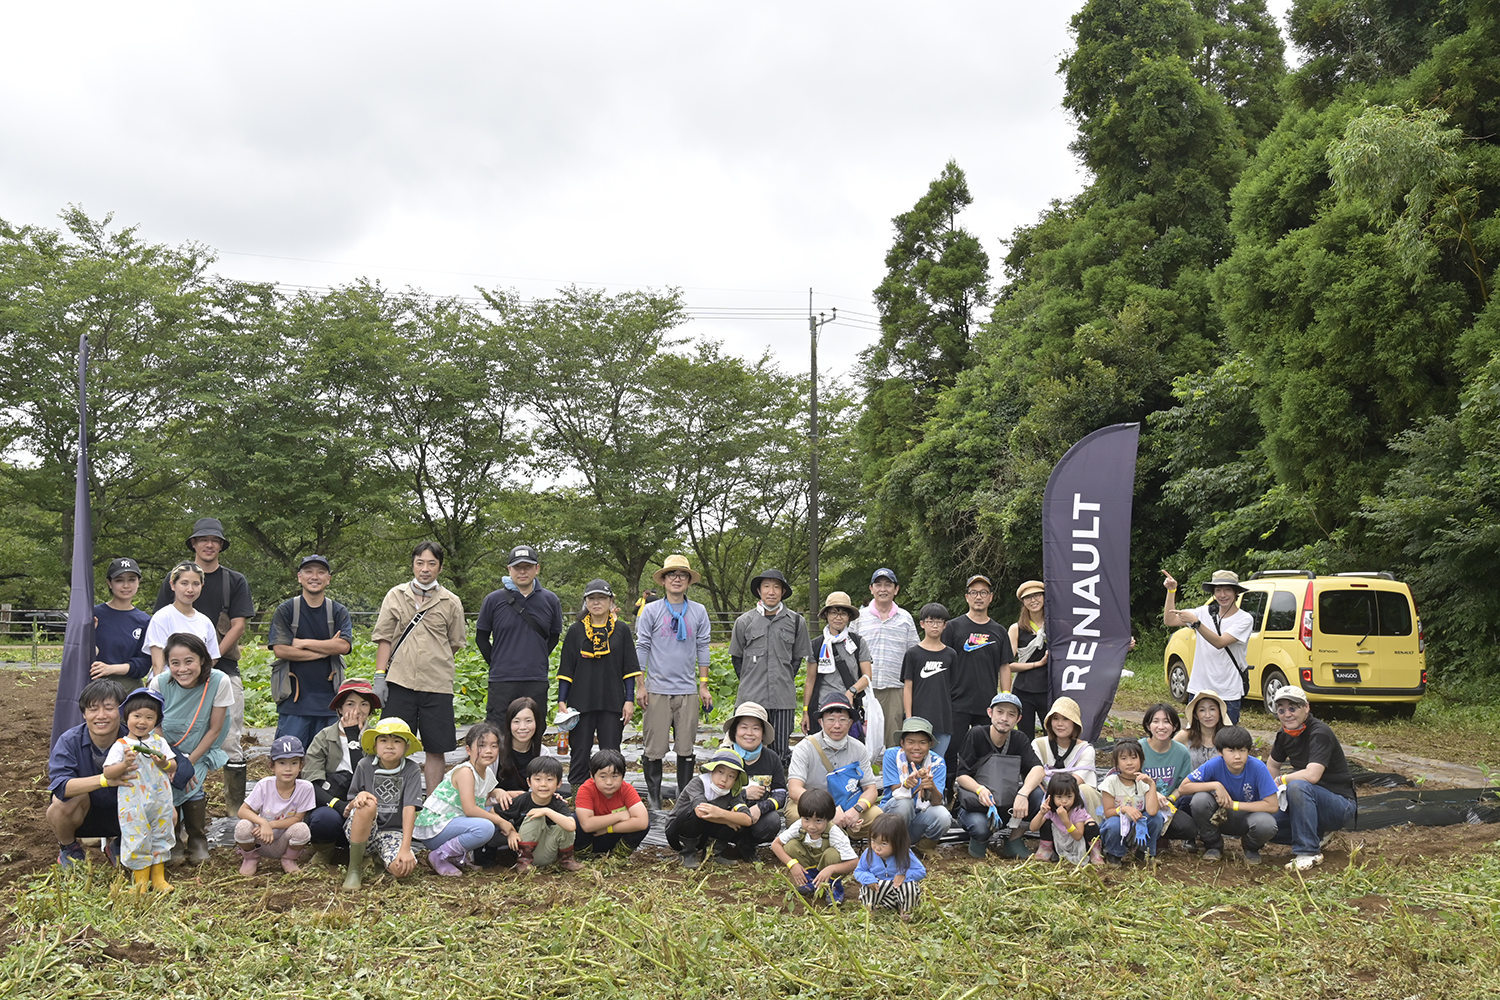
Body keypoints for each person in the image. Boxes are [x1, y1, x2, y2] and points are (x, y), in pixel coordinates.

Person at [153, 518, 253, 810]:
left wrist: (206, 663)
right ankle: (176, 800)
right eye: (203, 539)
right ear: (194, 544)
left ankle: (235, 806)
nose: (209, 545)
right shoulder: (175, 577)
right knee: (167, 733)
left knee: (229, 735)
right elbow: (159, 631)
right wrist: (172, 672)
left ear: (221, 546)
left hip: (220, 670)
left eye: (215, 540)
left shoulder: (233, 581)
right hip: (176, 674)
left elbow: (237, 625)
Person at [371, 541, 468, 796]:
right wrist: (380, 678)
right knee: (392, 743)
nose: (425, 569)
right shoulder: (395, 595)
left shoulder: (451, 602)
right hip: (399, 682)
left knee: (436, 748)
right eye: (420, 563)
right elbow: (384, 638)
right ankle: (392, 801)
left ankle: (433, 804)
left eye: (431, 563)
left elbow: (455, 643)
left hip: (437, 685)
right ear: (413, 564)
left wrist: (433, 660)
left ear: (440, 567)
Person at [636, 555, 713, 811]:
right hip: (657, 689)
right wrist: (640, 684)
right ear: (664, 580)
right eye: (672, 574)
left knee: (686, 747)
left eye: (682, 574)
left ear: (689, 580)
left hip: (687, 690)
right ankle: (654, 797)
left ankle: (682, 796)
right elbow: (642, 646)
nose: (677, 578)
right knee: (654, 749)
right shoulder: (651, 610)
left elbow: (703, 646)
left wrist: (703, 684)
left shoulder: (698, 611)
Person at [151, 632, 231, 865]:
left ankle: (197, 839)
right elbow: (155, 727)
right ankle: (173, 839)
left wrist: (188, 762)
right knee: (166, 786)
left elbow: (215, 729)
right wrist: (170, 761)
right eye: (175, 663)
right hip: (166, 749)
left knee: (191, 781)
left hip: (200, 747)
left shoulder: (219, 681)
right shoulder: (159, 683)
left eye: (189, 661)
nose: (182, 669)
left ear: (202, 660)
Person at [556, 579, 640, 790]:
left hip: (612, 702)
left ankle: (610, 796)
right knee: (580, 750)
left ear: (611, 601)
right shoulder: (576, 631)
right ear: (585, 602)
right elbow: (567, 669)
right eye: (591, 598)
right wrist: (561, 701)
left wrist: (629, 699)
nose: (596, 603)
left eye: (601, 598)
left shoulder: (621, 630)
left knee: (611, 752)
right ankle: (578, 796)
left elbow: (629, 669)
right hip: (580, 703)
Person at [267, 555, 354, 747]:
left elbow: (343, 646)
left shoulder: (338, 611)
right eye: (309, 572)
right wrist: (325, 650)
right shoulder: (286, 610)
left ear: (328, 579)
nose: (315, 576)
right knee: (289, 760)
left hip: (330, 704)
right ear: (299, 577)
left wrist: (301, 642)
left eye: (321, 572)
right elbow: (281, 650)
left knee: (328, 765)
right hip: (293, 703)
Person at [1267, 685, 1357, 871]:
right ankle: (1316, 835)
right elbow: (1273, 765)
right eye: (1281, 709)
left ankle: (1309, 851)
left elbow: (1312, 775)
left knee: (1298, 785)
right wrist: (1268, 795)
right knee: (1265, 825)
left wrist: (1281, 780)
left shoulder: (1320, 733)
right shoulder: (1284, 734)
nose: (1287, 714)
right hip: (1308, 803)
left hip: (1339, 804)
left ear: (1306, 708)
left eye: (1293, 708)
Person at [942, 574, 1014, 796]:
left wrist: (1006, 700)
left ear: (991, 597)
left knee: (987, 751)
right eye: (974, 592)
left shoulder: (999, 631)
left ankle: (983, 795)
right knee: (952, 750)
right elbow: (943, 661)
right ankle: (947, 793)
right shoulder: (953, 628)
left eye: (983, 592)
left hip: (987, 704)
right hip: (957, 702)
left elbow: (1004, 667)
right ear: (967, 597)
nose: (979, 597)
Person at [47, 678, 131, 867]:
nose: (101, 715)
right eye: (93, 708)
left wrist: (181, 768)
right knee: (61, 804)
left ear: (121, 711)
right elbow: (61, 786)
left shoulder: (135, 741)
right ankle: (69, 848)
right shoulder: (69, 741)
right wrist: (104, 780)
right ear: (84, 713)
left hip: (125, 815)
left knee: (166, 806)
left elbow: (171, 761)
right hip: (84, 816)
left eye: (109, 708)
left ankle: (120, 844)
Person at [729, 567, 808, 765]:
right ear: (759, 591)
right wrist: (751, 680)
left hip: (783, 698)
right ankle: (745, 792)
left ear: (782, 591)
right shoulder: (743, 622)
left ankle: (778, 790)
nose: (771, 591)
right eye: (766, 586)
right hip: (751, 697)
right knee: (747, 747)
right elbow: (737, 659)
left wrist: (783, 678)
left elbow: (797, 659)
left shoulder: (797, 622)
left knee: (780, 750)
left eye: (776, 587)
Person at [476, 544, 563, 723]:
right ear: (509, 570)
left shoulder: (550, 600)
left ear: (537, 569)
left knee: (533, 730)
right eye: (517, 567)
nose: (522, 572)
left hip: (535, 679)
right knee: (498, 731)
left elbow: (554, 636)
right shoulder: (493, 600)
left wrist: (536, 657)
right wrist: (498, 661)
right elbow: (481, 637)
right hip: (502, 680)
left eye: (528, 567)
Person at [414, 722, 514, 875]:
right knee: (486, 827)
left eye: (494, 746)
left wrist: (502, 793)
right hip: (435, 828)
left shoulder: (487, 773)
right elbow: (470, 809)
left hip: (452, 822)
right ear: (468, 750)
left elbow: (483, 802)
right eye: (482, 745)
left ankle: (454, 856)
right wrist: (502, 821)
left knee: (494, 815)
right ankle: (439, 856)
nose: (488, 751)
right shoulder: (466, 772)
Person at [955, 692, 1046, 859]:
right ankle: (979, 841)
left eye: (1011, 714)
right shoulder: (977, 735)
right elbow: (961, 776)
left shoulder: (1019, 739)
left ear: (1018, 719)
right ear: (990, 713)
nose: (1004, 718)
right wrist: (979, 789)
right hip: (977, 805)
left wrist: (1023, 793)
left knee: (1037, 794)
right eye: (1000, 712)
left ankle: (1014, 840)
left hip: (1005, 804)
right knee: (980, 827)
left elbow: (1038, 769)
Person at [104, 688, 176, 892]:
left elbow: (173, 766)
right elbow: (109, 773)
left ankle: (159, 878)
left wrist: (163, 763)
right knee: (137, 837)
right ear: (126, 717)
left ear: (156, 721)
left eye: (149, 717)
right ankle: (141, 882)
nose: (142, 722)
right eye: (137, 716)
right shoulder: (121, 745)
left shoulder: (159, 743)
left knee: (161, 834)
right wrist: (125, 764)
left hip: (160, 799)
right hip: (133, 801)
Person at [341, 717, 425, 890]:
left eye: (397, 741)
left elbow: (410, 809)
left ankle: (381, 859)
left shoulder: (412, 769)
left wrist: (405, 849)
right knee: (368, 804)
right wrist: (360, 797)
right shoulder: (364, 765)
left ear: (406, 746)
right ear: (375, 744)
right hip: (364, 831)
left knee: (402, 869)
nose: (389, 745)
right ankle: (354, 869)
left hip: (393, 832)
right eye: (384, 740)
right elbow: (352, 801)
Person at [302, 679, 382, 860]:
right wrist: (339, 805)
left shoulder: (378, 738)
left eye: (364, 704)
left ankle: (367, 854)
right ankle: (325, 851)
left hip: (367, 800)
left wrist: (353, 736)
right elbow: (310, 783)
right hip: (332, 800)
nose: (357, 710)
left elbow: (368, 778)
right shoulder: (323, 738)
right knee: (324, 819)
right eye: (350, 704)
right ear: (339, 709)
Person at [1177, 725, 1280, 863]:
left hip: (1248, 817)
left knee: (1267, 824)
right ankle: (1213, 844)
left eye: (1242, 750)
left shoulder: (1258, 767)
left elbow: (1272, 805)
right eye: (1231, 751)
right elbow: (1183, 787)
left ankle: (1250, 847)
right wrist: (1215, 785)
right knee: (1200, 800)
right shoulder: (1213, 764)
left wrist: (1235, 805)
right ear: (1220, 752)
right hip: (1220, 816)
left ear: (1248, 751)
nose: (1237, 756)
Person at [786, 694, 883, 838]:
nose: (837, 725)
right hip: (812, 805)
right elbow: (794, 790)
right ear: (821, 722)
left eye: (843, 720)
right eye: (831, 720)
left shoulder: (859, 748)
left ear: (850, 723)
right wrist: (828, 812)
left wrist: (856, 810)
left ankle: (841, 835)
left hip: (847, 802)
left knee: (877, 817)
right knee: (795, 815)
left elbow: (871, 789)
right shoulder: (804, 748)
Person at [1162, 569, 1253, 723]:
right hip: (1199, 689)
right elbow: (1170, 620)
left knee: (1226, 742)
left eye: (1227, 590)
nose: (1222, 595)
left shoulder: (1244, 619)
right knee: (1197, 739)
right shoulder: (1204, 612)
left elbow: (1220, 642)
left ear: (1236, 592)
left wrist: (1196, 623)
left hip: (1228, 691)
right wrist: (1171, 591)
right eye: (1218, 590)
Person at [856, 568, 919, 750]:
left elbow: (913, 654)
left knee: (894, 743)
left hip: (895, 689)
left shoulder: (905, 618)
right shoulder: (859, 618)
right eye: (878, 585)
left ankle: (895, 778)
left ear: (896, 589)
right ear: (871, 588)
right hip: (866, 690)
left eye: (888, 585)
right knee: (865, 741)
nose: (883, 589)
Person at [234, 735, 314, 876]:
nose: (288, 769)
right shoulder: (265, 785)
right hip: (260, 839)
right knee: (243, 826)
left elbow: (297, 818)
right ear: (272, 766)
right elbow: (242, 811)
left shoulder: (306, 788)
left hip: (284, 840)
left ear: (301, 765)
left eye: (294, 763)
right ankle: (250, 858)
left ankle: (289, 859)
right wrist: (263, 822)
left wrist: (271, 825)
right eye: (282, 763)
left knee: (302, 829)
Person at [719, 702, 788, 860]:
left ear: (763, 734)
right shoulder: (724, 756)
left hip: (756, 818)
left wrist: (761, 807)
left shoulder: (771, 758)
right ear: (734, 732)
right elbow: (712, 793)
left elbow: (780, 793)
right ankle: (719, 845)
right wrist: (743, 794)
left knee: (772, 821)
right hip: (728, 815)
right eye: (744, 727)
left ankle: (748, 845)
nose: (749, 733)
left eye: (756, 728)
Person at [667, 750, 754, 868]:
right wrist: (727, 819)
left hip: (703, 835)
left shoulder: (733, 792)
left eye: (731, 776)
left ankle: (713, 854)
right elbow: (701, 812)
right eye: (720, 772)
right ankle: (687, 854)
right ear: (711, 770)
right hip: (677, 833)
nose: (724, 779)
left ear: (736, 780)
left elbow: (747, 819)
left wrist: (723, 814)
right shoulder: (698, 783)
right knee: (700, 811)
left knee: (736, 818)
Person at [770, 787, 857, 902]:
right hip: (811, 862)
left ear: (829, 819)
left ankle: (833, 887)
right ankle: (810, 881)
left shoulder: (834, 833)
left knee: (832, 854)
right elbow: (776, 844)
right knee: (791, 845)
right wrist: (792, 864)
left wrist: (831, 869)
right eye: (806, 819)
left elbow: (854, 862)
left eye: (818, 821)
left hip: (829, 865)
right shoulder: (799, 826)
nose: (811, 826)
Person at [804, 591, 871, 736]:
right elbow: (810, 680)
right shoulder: (816, 645)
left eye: (843, 614)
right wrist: (805, 711)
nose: (838, 618)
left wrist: (852, 691)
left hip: (849, 708)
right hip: (822, 709)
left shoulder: (857, 643)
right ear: (827, 615)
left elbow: (867, 676)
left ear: (848, 617)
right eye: (834, 613)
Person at [879, 717, 952, 849]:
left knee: (943, 816)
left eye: (923, 743)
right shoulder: (892, 755)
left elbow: (937, 801)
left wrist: (932, 788)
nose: (916, 748)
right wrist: (906, 784)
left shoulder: (937, 763)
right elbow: (896, 791)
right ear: (902, 743)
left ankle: (924, 846)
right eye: (911, 742)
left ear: (930, 745)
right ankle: (891, 847)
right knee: (904, 803)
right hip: (891, 816)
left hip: (919, 815)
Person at [498, 756, 580, 873]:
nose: (543, 784)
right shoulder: (522, 800)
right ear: (529, 782)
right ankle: (523, 861)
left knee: (564, 823)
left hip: (547, 851)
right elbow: (493, 812)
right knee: (536, 817)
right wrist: (510, 831)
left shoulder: (558, 803)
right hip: (525, 850)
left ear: (559, 784)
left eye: (549, 780)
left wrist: (546, 811)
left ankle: (566, 860)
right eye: (538, 779)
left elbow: (571, 826)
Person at [144, 562, 222, 674]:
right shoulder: (162, 617)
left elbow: (212, 659)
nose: (190, 589)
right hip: (167, 684)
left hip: (197, 685)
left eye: (196, 584)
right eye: (184, 583)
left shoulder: (205, 622)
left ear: (202, 586)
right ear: (172, 585)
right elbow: (158, 665)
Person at [902, 603, 956, 760]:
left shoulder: (951, 654)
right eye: (931, 621)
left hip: (943, 718)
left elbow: (954, 687)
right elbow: (907, 687)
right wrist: (909, 717)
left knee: (937, 760)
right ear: (922, 623)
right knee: (916, 759)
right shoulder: (913, 654)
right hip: (918, 717)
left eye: (939, 621)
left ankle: (936, 785)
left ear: (945, 625)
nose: (935, 625)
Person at [572, 749, 650, 858]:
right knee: (575, 820)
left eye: (615, 776)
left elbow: (642, 822)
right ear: (592, 776)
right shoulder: (586, 789)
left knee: (643, 826)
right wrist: (620, 815)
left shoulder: (627, 789)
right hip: (592, 836)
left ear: (623, 776)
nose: (609, 782)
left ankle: (618, 856)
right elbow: (587, 825)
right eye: (603, 776)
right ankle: (584, 855)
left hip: (614, 836)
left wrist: (608, 829)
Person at [1139, 702, 1197, 846]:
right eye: (1155, 721)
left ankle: (1160, 835)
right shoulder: (1139, 748)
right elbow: (1130, 779)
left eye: (1166, 722)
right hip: (1141, 802)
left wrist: (1170, 799)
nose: (1161, 726)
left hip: (1166, 805)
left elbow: (1183, 784)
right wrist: (1152, 793)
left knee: (1189, 828)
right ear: (1148, 725)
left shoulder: (1181, 752)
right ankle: (1147, 839)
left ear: (1175, 727)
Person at [1100, 739, 1162, 864]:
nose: (1129, 762)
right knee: (1113, 824)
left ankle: (1145, 853)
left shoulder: (1144, 782)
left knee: (1156, 818)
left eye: (1134, 758)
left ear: (1141, 760)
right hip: (1117, 824)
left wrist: (1151, 784)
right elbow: (1108, 813)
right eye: (1123, 758)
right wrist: (1124, 809)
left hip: (1136, 826)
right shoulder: (1111, 781)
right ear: (1116, 762)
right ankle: (1114, 854)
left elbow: (1152, 811)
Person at [854, 812, 926, 920]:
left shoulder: (905, 854)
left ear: (898, 842)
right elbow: (859, 871)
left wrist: (904, 875)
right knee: (868, 888)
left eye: (884, 844)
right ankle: (870, 910)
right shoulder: (869, 853)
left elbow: (921, 871)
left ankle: (906, 910)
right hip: (881, 893)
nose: (877, 848)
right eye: (873, 841)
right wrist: (869, 879)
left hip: (899, 894)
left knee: (909, 886)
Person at [90, 558, 152, 682]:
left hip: (129, 687)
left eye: (132, 580)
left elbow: (144, 663)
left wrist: (112, 669)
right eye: (119, 580)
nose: (126, 586)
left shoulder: (145, 621)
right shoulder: (93, 614)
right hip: (95, 685)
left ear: (138, 582)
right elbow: (78, 653)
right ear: (109, 583)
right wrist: (89, 638)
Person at [1003, 580, 1050, 738]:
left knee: (1053, 734)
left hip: (1049, 688)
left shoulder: (1055, 625)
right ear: (1023, 601)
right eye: (1028, 597)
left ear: (1044, 597)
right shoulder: (1016, 628)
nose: (1033, 600)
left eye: (1037, 595)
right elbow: (1008, 664)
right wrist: (1037, 664)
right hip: (1024, 689)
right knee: (1024, 735)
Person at [1029, 772, 1102, 866]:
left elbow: (1078, 836)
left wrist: (1065, 820)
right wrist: (1041, 813)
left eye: (1069, 797)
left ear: (1075, 796)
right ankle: (1045, 850)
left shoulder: (1078, 811)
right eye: (1059, 797)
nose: (1064, 801)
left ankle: (1095, 853)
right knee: (1046, 822)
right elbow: (1033, 828)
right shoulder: (1050, 810)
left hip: (1079, 846)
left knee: (1091, 825)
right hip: (1060, 844)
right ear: (1051, 796)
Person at [1175, 690, 1230, 770]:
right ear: (1196, 715)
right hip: (1190, 782)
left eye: (1212, 709)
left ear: (1220, 712)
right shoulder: (1185, 735)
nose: (1208, 715)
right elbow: (1166, 755)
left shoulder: (1228, 737)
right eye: (1202, 710)